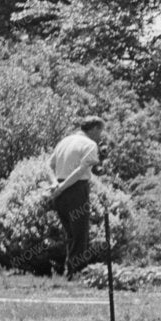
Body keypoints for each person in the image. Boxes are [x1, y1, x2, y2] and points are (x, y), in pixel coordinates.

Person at [46, 114, 105, 279]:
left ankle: (69, 271)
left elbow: (49, 165)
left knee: (70, 234)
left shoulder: (64, 142)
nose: (100, 136)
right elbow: (81, 171)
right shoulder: (90, 144)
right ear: (94, 129)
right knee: (80, 233)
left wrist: (55, 185)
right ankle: (77, 272)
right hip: (77, 190)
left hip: (60, 191)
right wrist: (63, 187)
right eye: (100, 131)